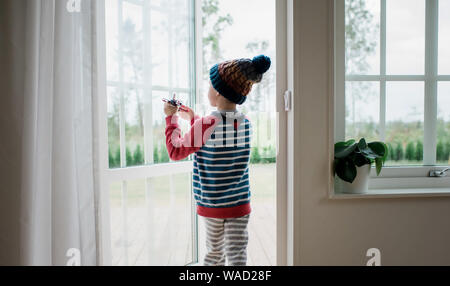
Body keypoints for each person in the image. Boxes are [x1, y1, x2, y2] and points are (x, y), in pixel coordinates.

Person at [164, 55, 271, 266]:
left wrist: (171, 118)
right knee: (238, 255)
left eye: (210, 86)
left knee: (214, 255)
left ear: (220, 91)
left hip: (213, 205)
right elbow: (219, 143)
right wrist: (194, 119)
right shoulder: (246, 123)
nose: (208, 91)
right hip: (239, 204)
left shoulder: (205, 125)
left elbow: (175, 150)